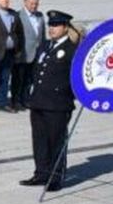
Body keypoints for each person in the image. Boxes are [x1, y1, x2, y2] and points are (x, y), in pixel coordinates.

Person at [20, 11, 76, 191]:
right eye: (50, 25)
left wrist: (67, 96)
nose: (52, 29)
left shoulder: (72, 50)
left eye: (56, 25)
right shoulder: (45, 45)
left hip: (58, 104)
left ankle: (56, 176)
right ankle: (41, 173)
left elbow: (76, 78)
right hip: (39, 101)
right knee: (40, 140)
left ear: (66, 27)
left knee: (56, 141)